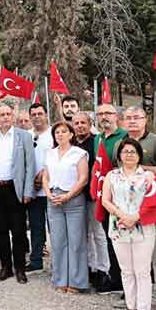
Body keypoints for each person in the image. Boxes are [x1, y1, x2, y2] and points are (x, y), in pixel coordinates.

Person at [121, 106, 156, 310]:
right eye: (128, 118)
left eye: (137, 117)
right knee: (130, 256)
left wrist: (140, 167)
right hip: (127, 209)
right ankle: (132, 299)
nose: (132, 121)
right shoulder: (120, 143)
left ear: (145, 120)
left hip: (154, 207)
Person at [101, 137, 156, 310]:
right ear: (119, 155)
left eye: (133, 151)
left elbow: (153, 201)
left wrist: (136, 217)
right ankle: (130, 307)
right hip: (119, 225)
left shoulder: (148, 176)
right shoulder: (112, 176)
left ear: (139, 154)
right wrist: (121, 215)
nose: (129, 155)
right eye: (125, 152)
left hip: (142, 226)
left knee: (142, 270)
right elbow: (105, 200)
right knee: (126, 269)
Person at [0, 104, 36, 283]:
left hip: (16, 190)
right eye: (2, 114)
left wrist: (28, 190)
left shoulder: (24, 136)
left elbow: (30, 165)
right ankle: (5, 267)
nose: (5, 117)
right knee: (0, 230)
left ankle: (20, 268)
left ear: (13, 116)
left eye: (8, 114)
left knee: (18, 231)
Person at [42, 121, 89, 292]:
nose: (60, 134)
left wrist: (68, 196)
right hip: (54, 198)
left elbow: (83, 178)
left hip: (73, 199)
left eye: (64, 131)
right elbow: (45, 177)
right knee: (58, 241)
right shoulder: (50, 153)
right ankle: (60, 279)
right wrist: (48, 194)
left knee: (76, 241)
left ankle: (76, 282)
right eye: (57, 132)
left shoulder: (79, 153)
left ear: (71, 134)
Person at [93, 103, 127, 294]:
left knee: (124, 239)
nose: (104, 116)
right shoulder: (97, 138)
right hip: (103, 196)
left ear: (116, 116)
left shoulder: (124, 136)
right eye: (100, 114)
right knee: (110, 237)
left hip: (122, 197)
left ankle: (127, 281)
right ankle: (115, 279)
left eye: (108, 113)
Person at [72, 112, 105, 288]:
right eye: (76, 123)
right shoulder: (70, 143)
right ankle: (89, 267)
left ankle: (103, 269)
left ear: (89, 123)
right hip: (75, 196)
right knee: (83, 234)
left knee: (98, 233)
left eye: (83, 122)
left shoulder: (96, 141)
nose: (79, 126)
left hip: (93, 195)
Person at [26, 102, 52, 275]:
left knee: (55, 228)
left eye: (39, 113)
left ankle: (59, 263)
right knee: (36, 227)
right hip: (33, 190)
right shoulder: (26, 135)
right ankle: (35, 260)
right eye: (33, 114)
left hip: (51, 189)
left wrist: (44, 174)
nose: (37, 116)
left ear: (46, 114)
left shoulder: (54, 134)